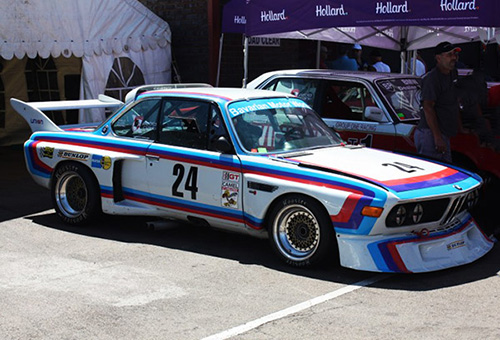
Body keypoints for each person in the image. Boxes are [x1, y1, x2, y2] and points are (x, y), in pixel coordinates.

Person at [414, 41, 462, 162]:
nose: (454, 58)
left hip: (444, 133)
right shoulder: (432, 79)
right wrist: (437, 137)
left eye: (455, 54)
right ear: (438, 58)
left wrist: (460, 127)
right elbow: (428, 107)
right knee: (433, 175)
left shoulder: (453, 74)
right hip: (430, 134)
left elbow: (454, 102)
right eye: (449, 54)